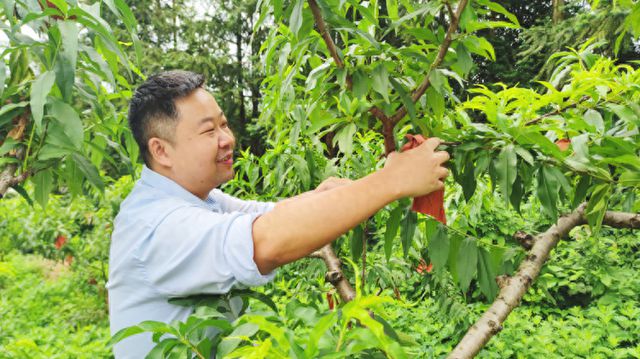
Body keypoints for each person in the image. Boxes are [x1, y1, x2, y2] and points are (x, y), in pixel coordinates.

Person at [107, 70, 449, 358]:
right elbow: (267, 239)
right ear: (161, 150)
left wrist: (339, 191)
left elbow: (269, 215)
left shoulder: (199, 199)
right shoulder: (156, 224)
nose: (227, 138)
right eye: (209, 130)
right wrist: (391, 181)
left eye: (224, 124)